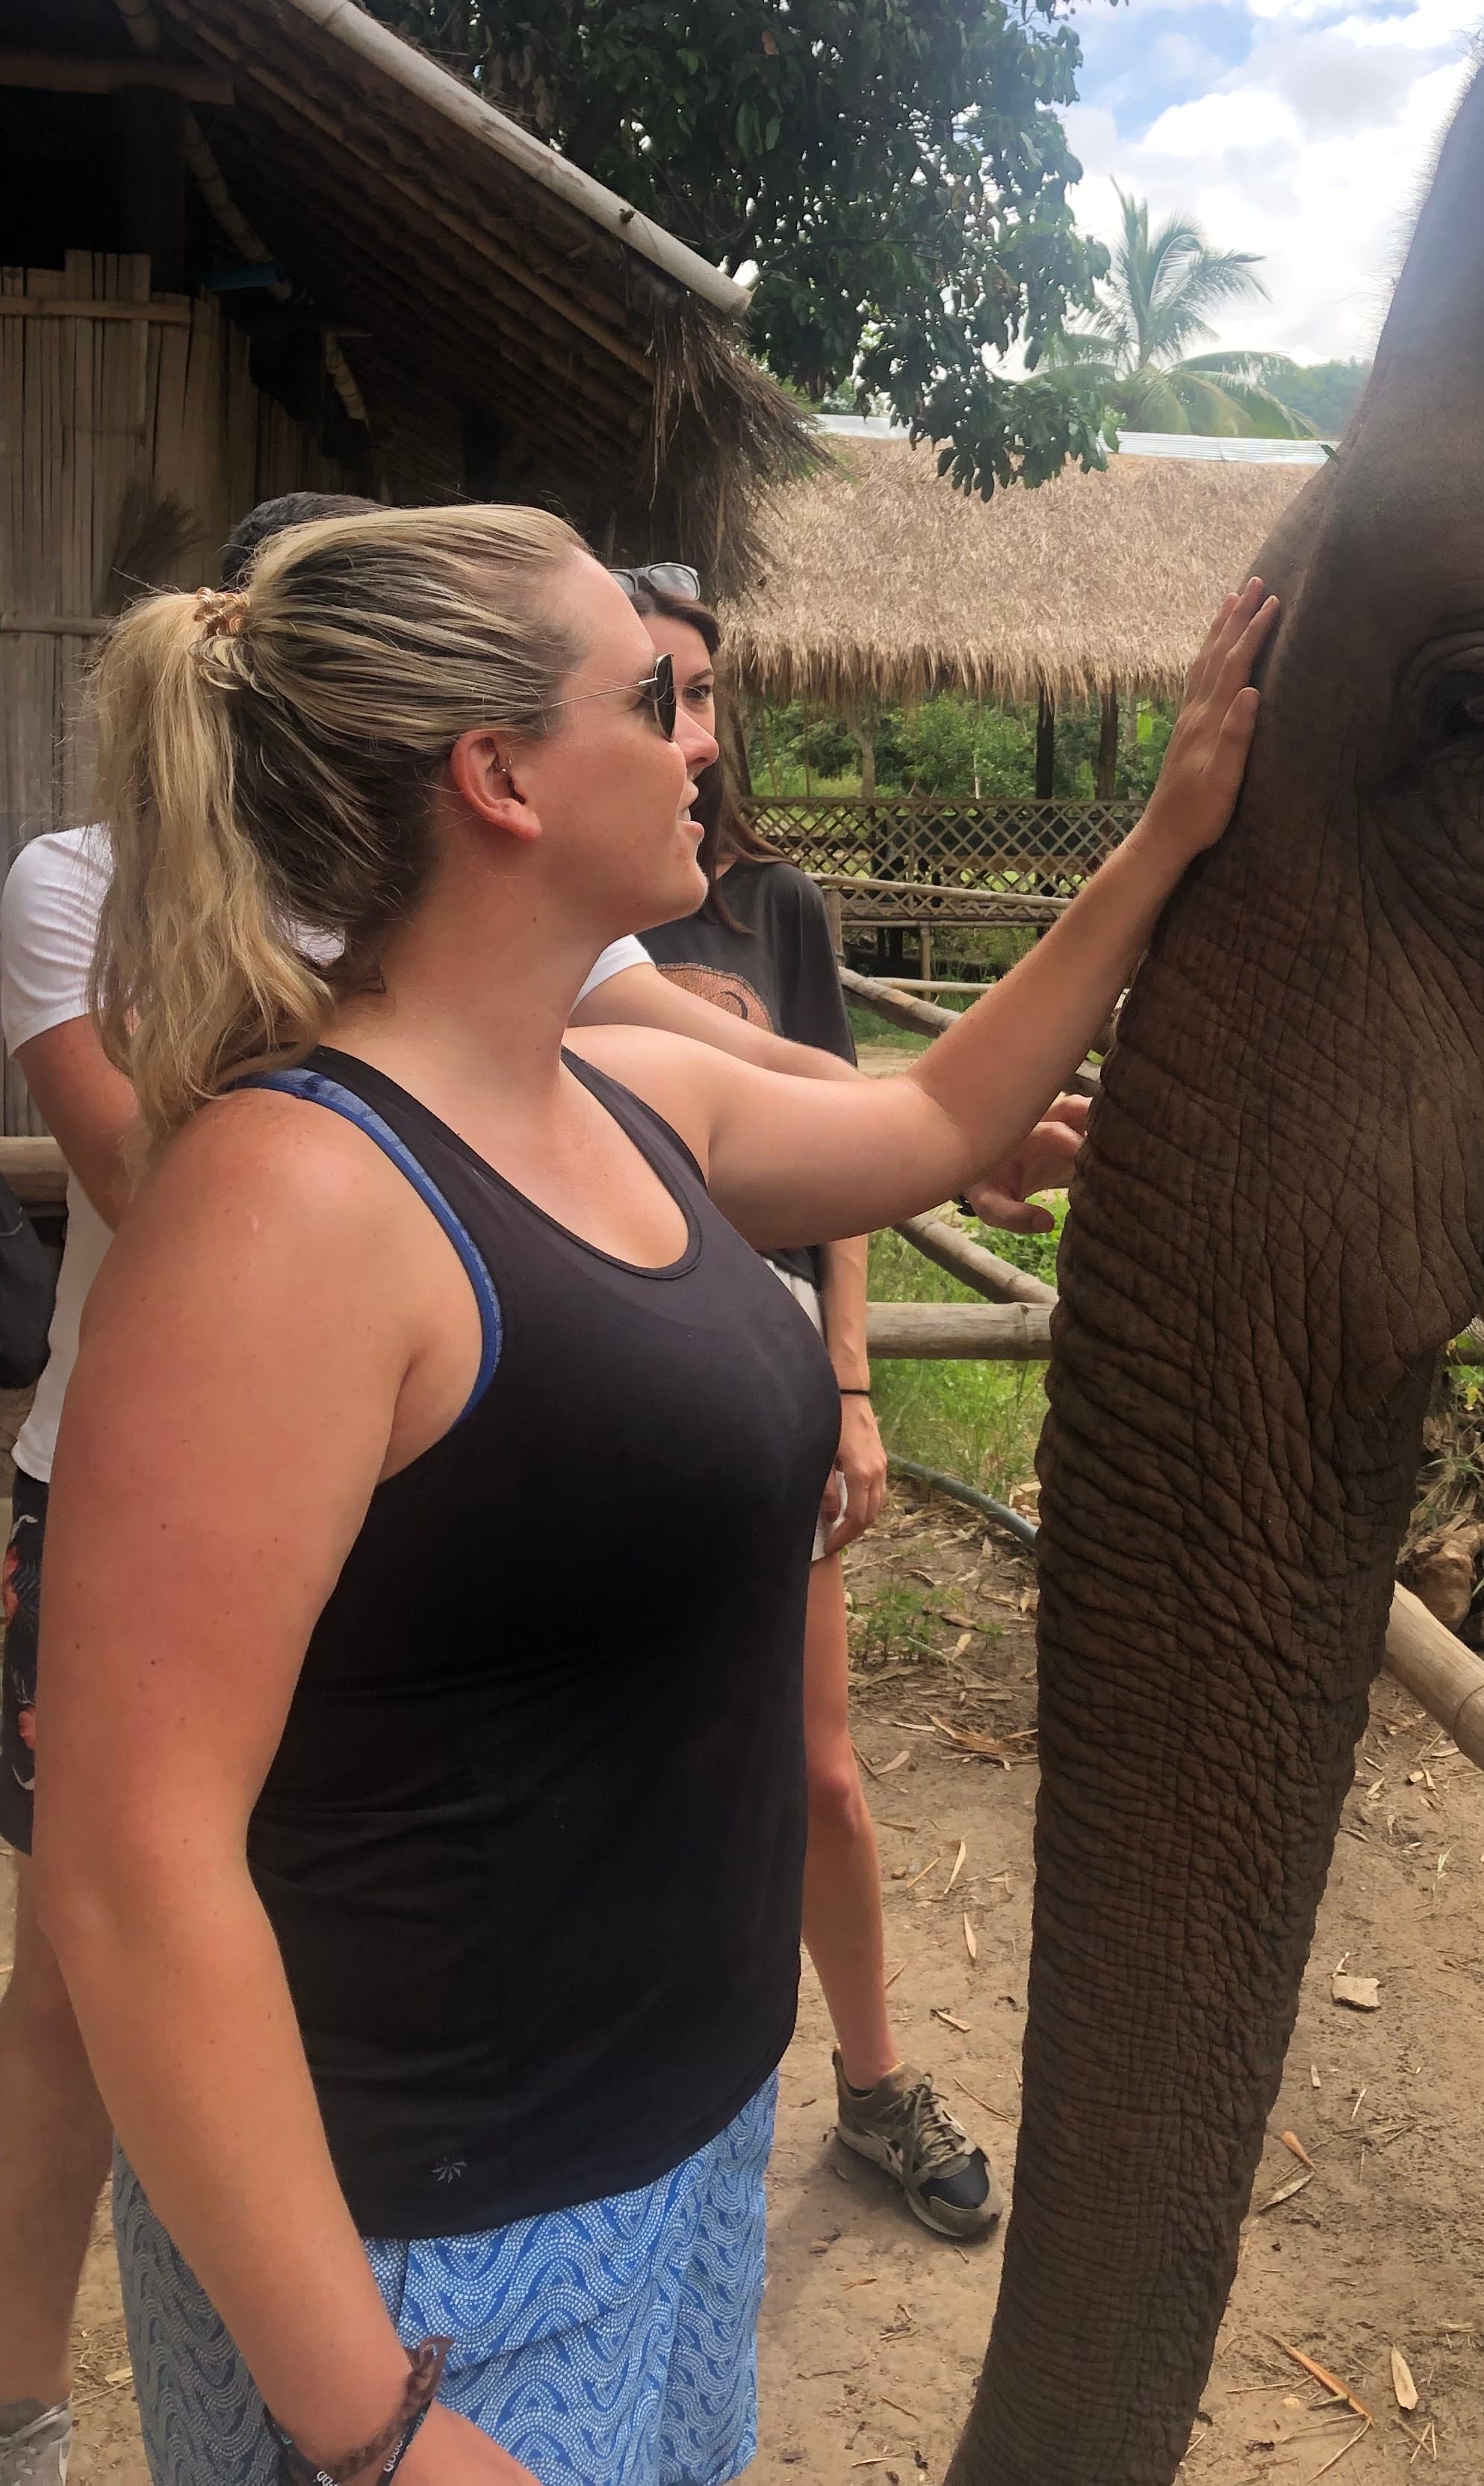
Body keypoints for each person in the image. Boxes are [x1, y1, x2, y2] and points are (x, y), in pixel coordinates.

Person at [34, 501, 1272, 2486]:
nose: (706, 738)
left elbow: (943, 1114)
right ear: (501, 775)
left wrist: (1168, 833)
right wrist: (372, 2428)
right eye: (655, 695)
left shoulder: (617, 1093)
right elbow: (126, 1857)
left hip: (677, 2137)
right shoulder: (291, 1205)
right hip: (439, 2242)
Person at [620, 565, 996, 2241]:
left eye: (699, 699)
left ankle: (871, 2083)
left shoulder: (768, 908)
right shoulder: (559, 932)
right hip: (605, 1393)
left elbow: (853, 1148)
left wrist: (847, 1386)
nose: (687, 739)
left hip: (753, 1379)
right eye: (648, 701)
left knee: (819, 1774)